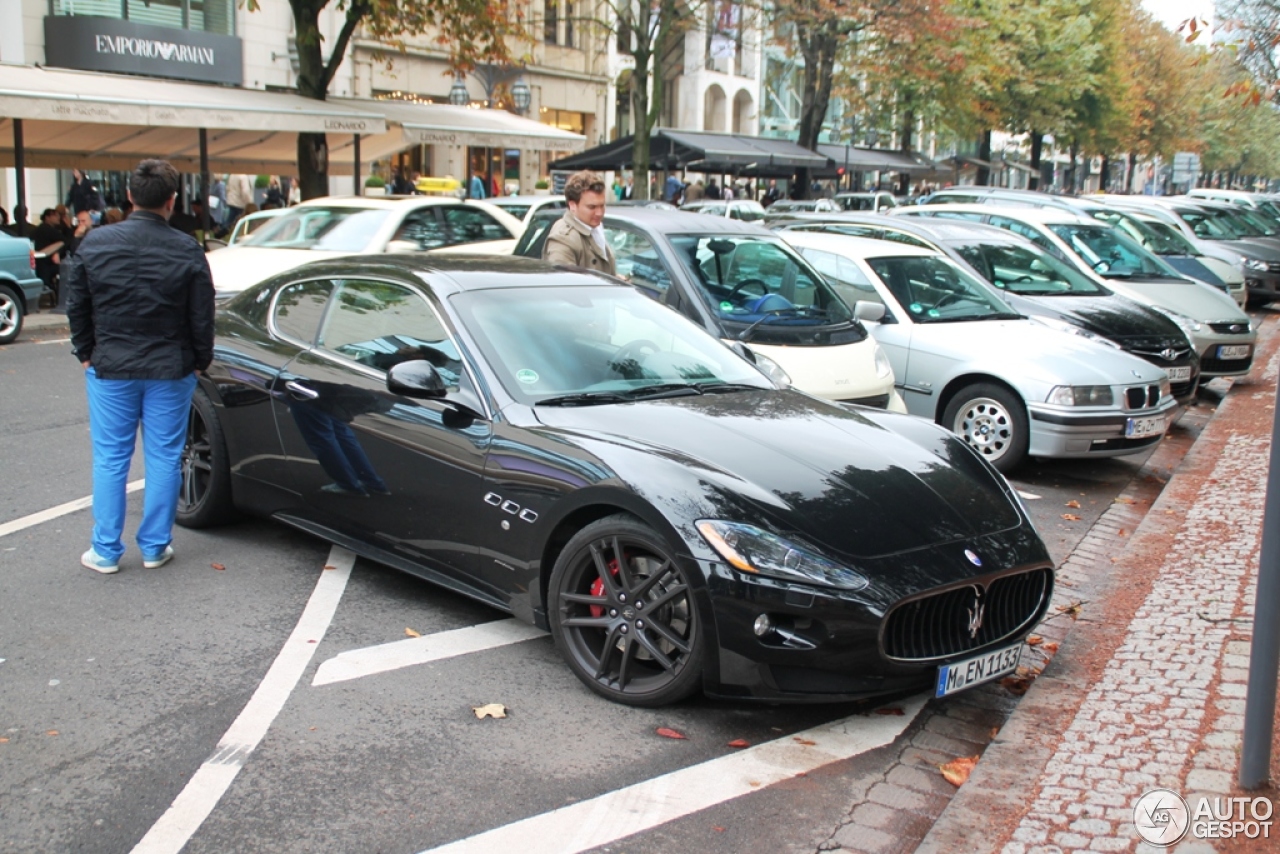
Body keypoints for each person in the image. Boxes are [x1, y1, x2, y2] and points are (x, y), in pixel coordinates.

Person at [65, 159, 215, 575]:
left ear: (129, 196)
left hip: (111, 363)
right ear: (171, 200)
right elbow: (201, 315)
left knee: (111, 457)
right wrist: (200, 361)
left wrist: (85, 352)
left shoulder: (94, 244)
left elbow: (77, 304)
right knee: (165, 455)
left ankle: (106, 550)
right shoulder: (187, 249)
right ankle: (154, 546)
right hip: (171, 366)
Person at [542, 170, 616, 276]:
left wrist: (615, 281)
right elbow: (563, 285)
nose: (599, 213)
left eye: (602, 205)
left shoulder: (593, 226)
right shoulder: (564, 239)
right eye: (592, 207)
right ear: (572, 205)